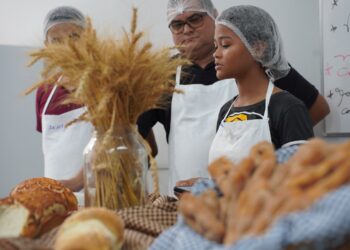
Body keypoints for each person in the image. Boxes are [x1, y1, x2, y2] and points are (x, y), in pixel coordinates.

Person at [137, 0, 329, 191]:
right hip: (189, 196)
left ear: (214, 16)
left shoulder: (255, 64)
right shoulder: (162, 75)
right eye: (177, 25)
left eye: (195, 19)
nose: (186, 30)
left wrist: (279, 140)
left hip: (256, 201)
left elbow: (316, 108)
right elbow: (138, 137)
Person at [36, 6, 157, 191]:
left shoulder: (109, 83)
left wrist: (78, 182)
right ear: (46, 45)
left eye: (74, 37)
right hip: (58, 201)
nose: (66, 46)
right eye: (56, 40)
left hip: (104, 197)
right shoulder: (44, 91)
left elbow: (140, 142)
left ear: (88, 39)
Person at [208, 5, 314, 164]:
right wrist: (203, 183)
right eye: (215, 46)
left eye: (225, 45)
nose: (215, 54)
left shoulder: (289, 109)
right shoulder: (226, 111)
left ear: (258, 48)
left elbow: (301, 179)